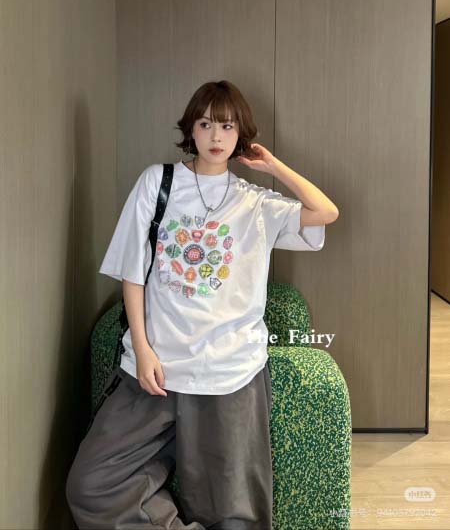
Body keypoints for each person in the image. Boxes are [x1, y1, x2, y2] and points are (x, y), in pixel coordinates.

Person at [65, 80, 339, 529]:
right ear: (190, 129)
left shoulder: (255, 203)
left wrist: (273, 166)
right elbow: (133, 272)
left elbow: (326, 212)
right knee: (92, 485)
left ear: (241, 135)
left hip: (229, 375)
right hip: (155, 373)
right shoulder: (158, 183)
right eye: (206, 123)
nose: (216, 136)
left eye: (227, 126)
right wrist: (143, 348)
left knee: (233, 514)